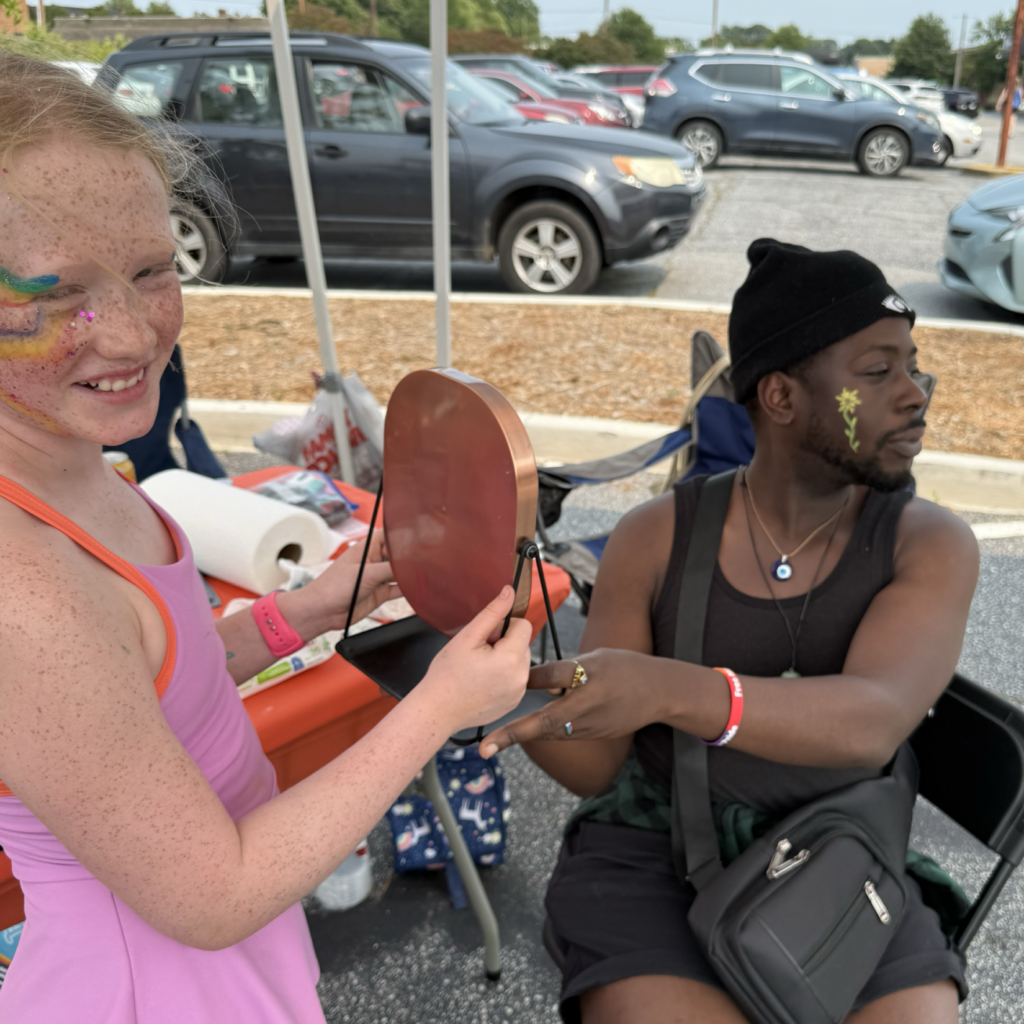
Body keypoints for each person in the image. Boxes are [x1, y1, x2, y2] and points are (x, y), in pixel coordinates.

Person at [0, 54, 532, 1022]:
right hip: (156, 987)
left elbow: (156, 688)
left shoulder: (68, 461)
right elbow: (216, 893)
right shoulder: (22, 589)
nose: (130, 334)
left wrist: (305, 612)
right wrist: (439, 707)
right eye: (54, 292)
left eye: (152, 269)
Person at [481, 239, 980, 1024]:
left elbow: (873, 722)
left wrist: (670, 690)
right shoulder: (656, 537)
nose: (915, 395)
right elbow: (596, 764)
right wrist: (503, 690)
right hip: (656, 851)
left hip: (841, 849)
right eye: (878, 372)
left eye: (913, 368)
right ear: (779, 396)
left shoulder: (929, 542)